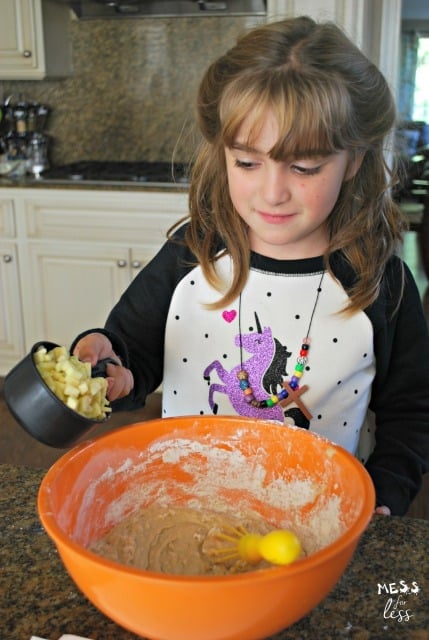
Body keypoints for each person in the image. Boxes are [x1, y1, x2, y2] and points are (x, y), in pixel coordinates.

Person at [72, 16, 429, 517]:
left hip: (314, 517)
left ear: (353, 160)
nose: (272, 192)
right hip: (185, 504)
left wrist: (384, 495)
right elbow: (131, 354)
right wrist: (108, 369)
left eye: (304, 167)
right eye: (247, 163)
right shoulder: (190, 254)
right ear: (223, 154)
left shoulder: (379, 282)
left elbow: (412, 411)